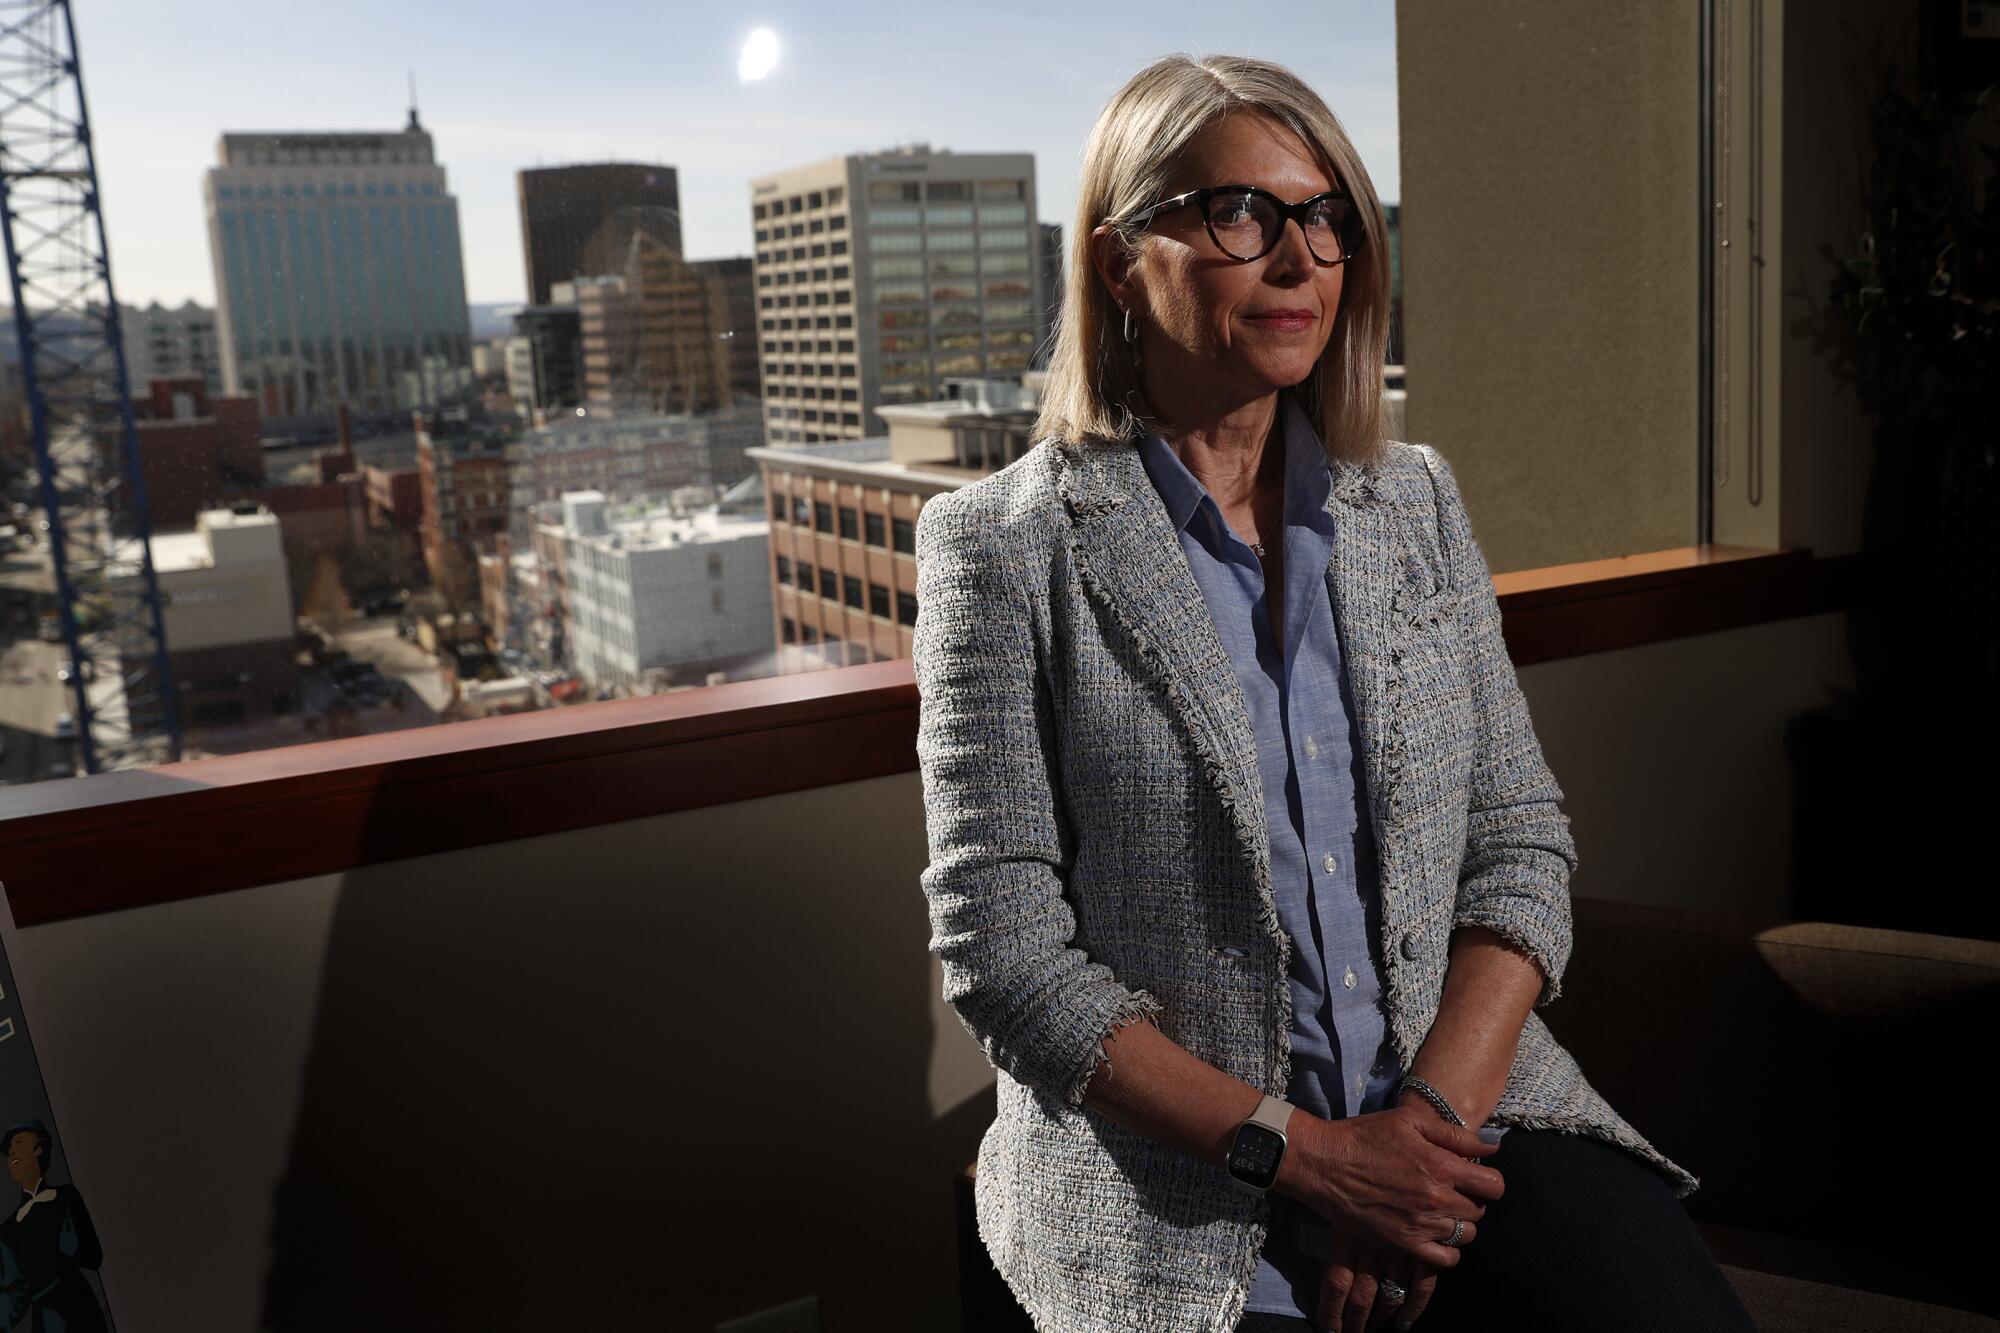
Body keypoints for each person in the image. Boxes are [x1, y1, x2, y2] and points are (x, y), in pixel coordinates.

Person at [912, 53, 1756, 1333]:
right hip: (1176, 1184)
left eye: (1326, 218)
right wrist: (1309, 1159)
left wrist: (1418, 1134)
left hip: (1462, 1110)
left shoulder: (1408, 500)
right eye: (1236, 212)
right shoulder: (1001, 546)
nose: (1297, 256)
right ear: (1114, 258)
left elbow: (1517, 841)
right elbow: (1005, 954)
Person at [0, 1118, 110, 1333]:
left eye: (19, 1142)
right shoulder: (8, 1229)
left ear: (38, 1148)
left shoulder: (66, 1197)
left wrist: (74, 1247)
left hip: (83, 1310)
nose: (12, 1152)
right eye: (9, 1148)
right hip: (47, 1323)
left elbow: (94, 1257)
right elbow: (16, 1294)